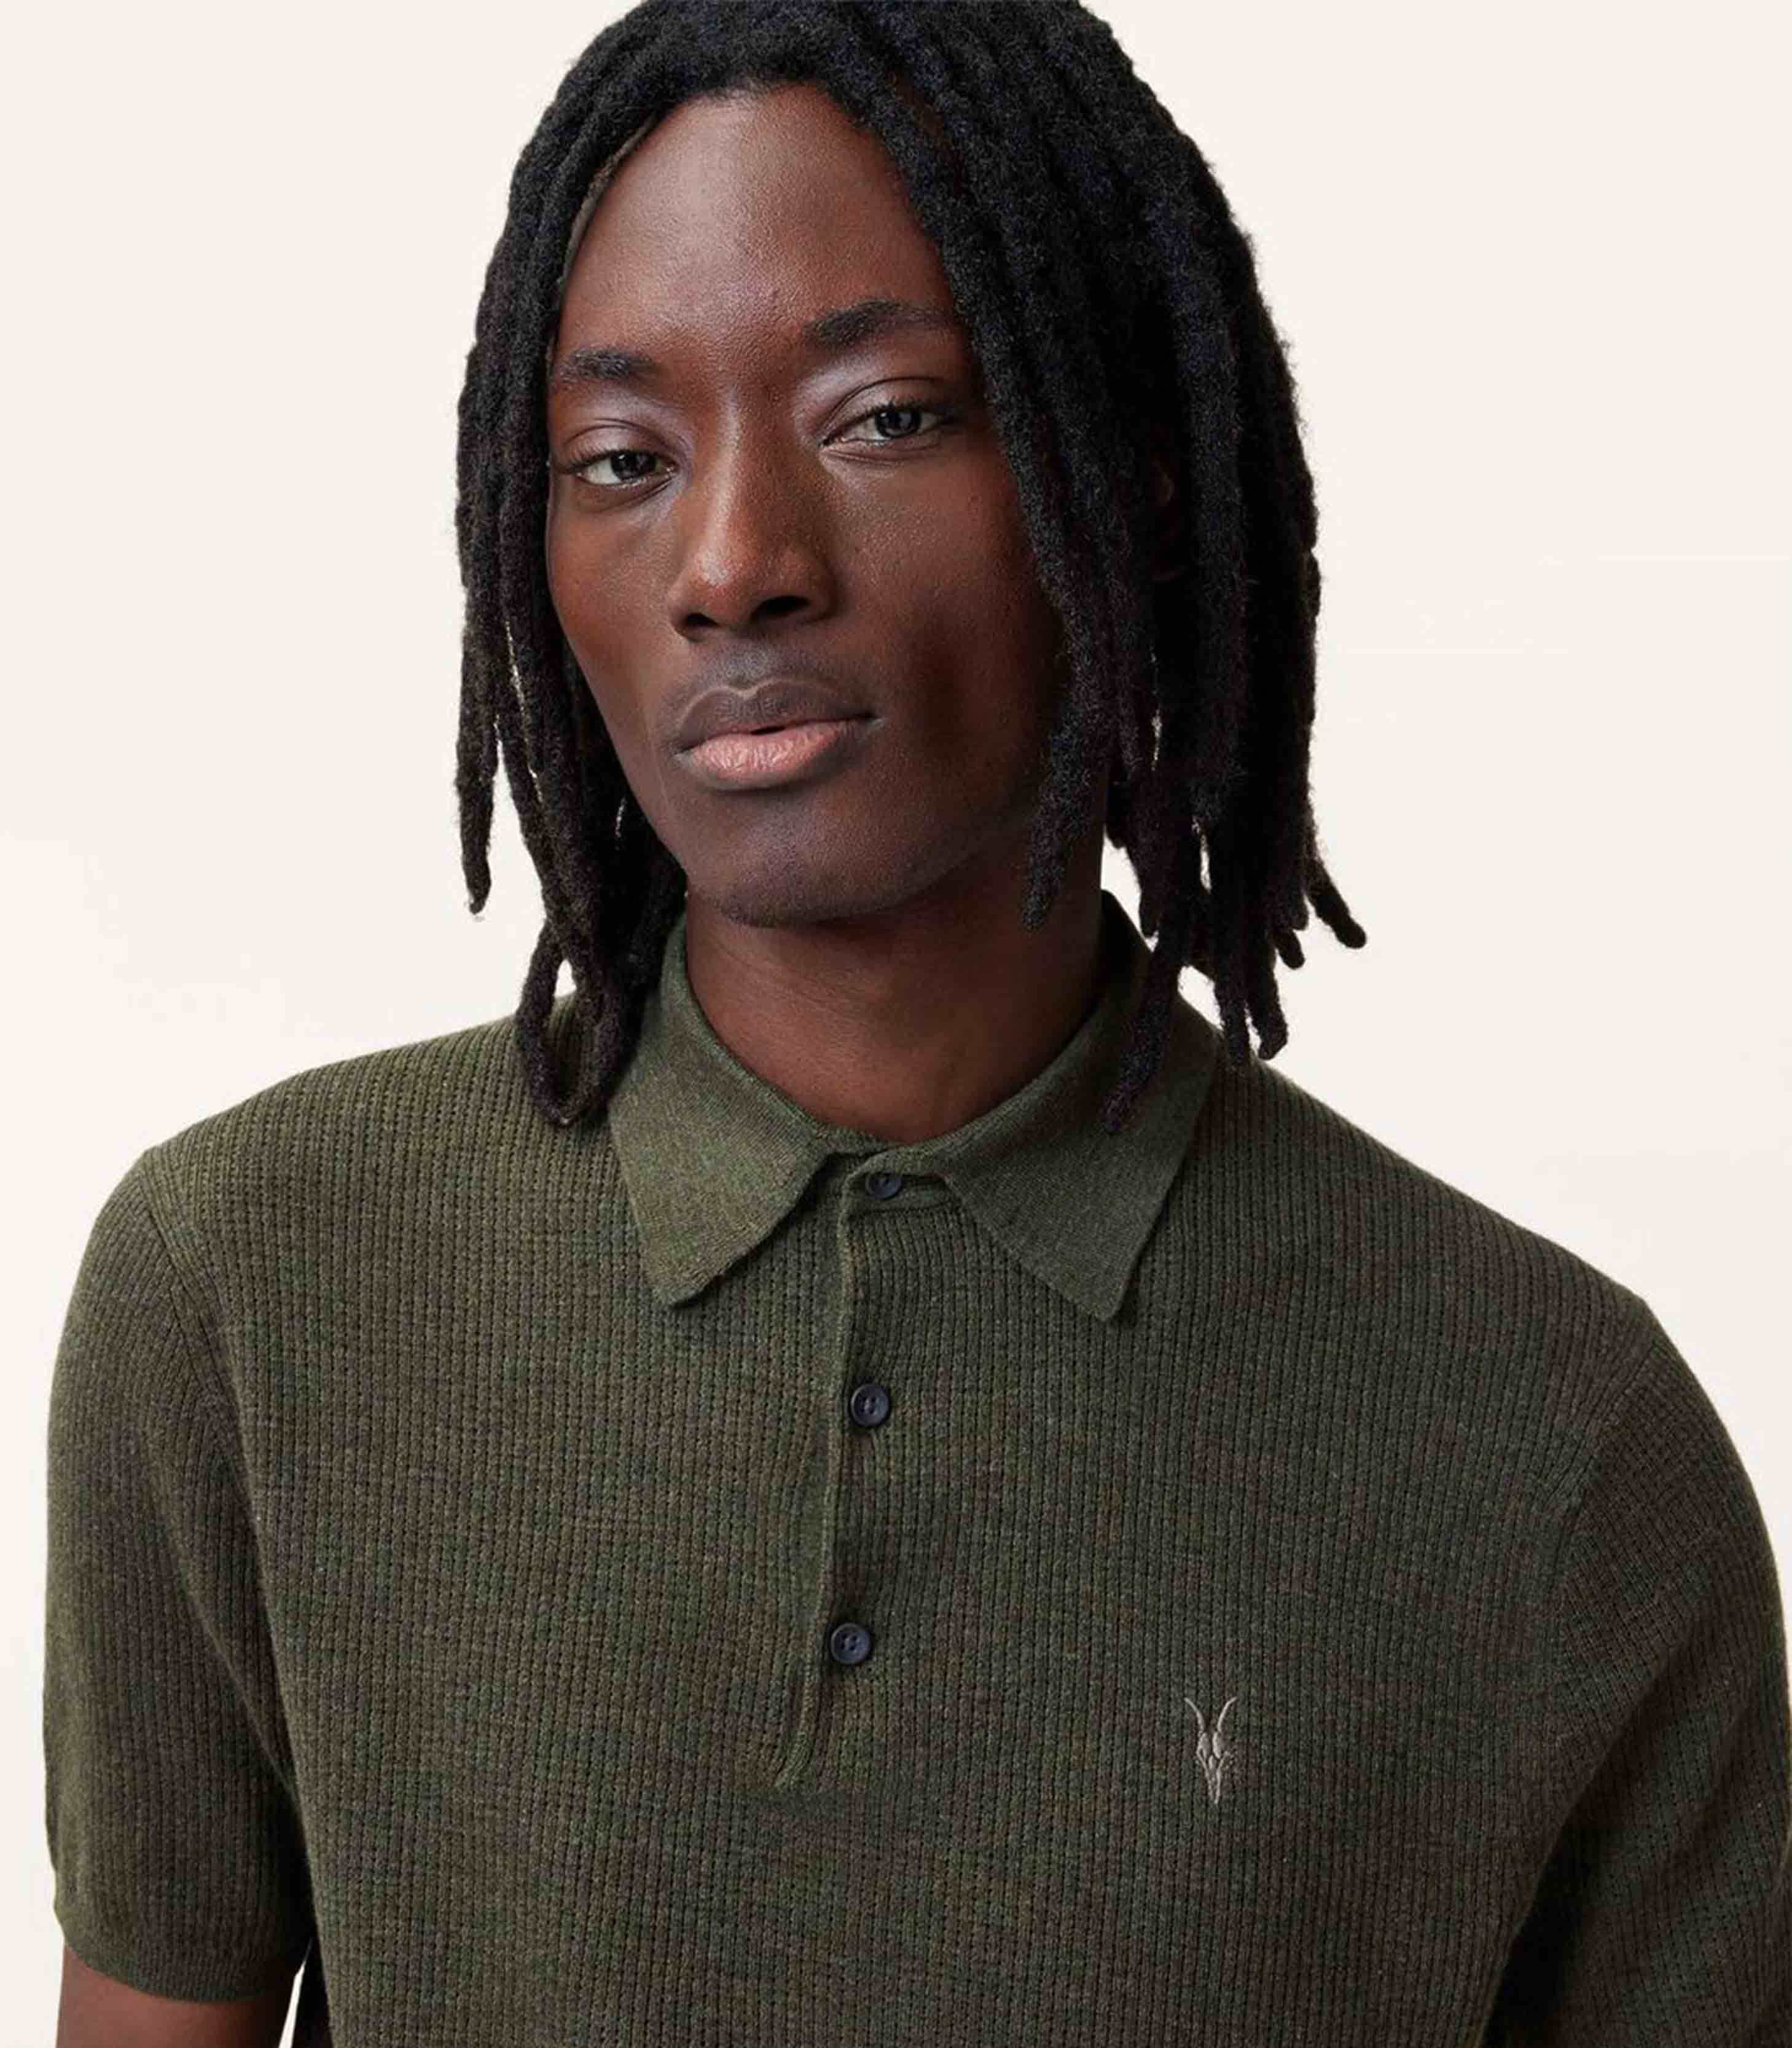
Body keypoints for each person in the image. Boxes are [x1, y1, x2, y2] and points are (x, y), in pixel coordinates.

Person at [43, 3, 1789, 2044]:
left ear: (1132, 490)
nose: (734, 566)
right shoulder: (252, 1291)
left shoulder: (1555, 1443)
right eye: (621, 460)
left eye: (884, 416)